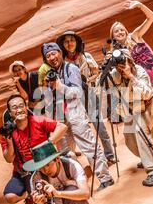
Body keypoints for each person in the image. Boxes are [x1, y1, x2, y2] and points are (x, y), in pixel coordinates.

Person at [110, 0, 153, 164]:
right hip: (143, 86)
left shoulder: (135, 36)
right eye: (116, 31)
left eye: (121, 29)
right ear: (113, 36)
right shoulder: (117, 53)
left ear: (125, 31)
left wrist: (139, 5)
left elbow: (152, 17)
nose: (120, 32)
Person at [41, 42, 114, 192]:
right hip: (60, 118)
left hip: (75, 115)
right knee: (65, 153)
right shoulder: (52, 75)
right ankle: (74, 181)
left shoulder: (71, 68)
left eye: (53, 53)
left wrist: (60, 86)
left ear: (60, 53)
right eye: (48, 56)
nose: (51, 57)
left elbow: (77, 92)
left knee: (89, 146)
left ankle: (105, 178)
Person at [56, 30, 116, 165]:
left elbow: (96, 72)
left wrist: (87, 80)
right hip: (74, 100)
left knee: (100, 127)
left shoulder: (86, 56)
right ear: (63, 45)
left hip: (89, 94)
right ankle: (96, 160)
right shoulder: (63, 62)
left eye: (72, 40)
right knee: (84, 131)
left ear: (76, 42)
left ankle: (109, 155)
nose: (69, 43)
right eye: (66, 41)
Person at [107, 49, 153, 186]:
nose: (121, 67)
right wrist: (105, 71)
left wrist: (131, 77)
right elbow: (105, 89)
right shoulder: (114, 74)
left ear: (130, 61)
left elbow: (148, 93)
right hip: (128, 109)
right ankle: (149, 157)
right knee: (130, 142)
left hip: (143, 107)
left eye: (124, 63)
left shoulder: (139, 71)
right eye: (118, 65)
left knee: (141, 133)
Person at [0, 94, 68, 204]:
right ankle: (28, 195)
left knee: (49, 196)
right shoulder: (8, 132)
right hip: (23, 171)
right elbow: (9, 158)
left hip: (43, 166)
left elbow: (62, 127)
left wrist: (48, 143)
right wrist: (10, 142)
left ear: (26, 107)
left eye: (21, 106)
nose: (19, 110)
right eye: (15, 108)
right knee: (10, 196)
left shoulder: (38, 121)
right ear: (10, 113)